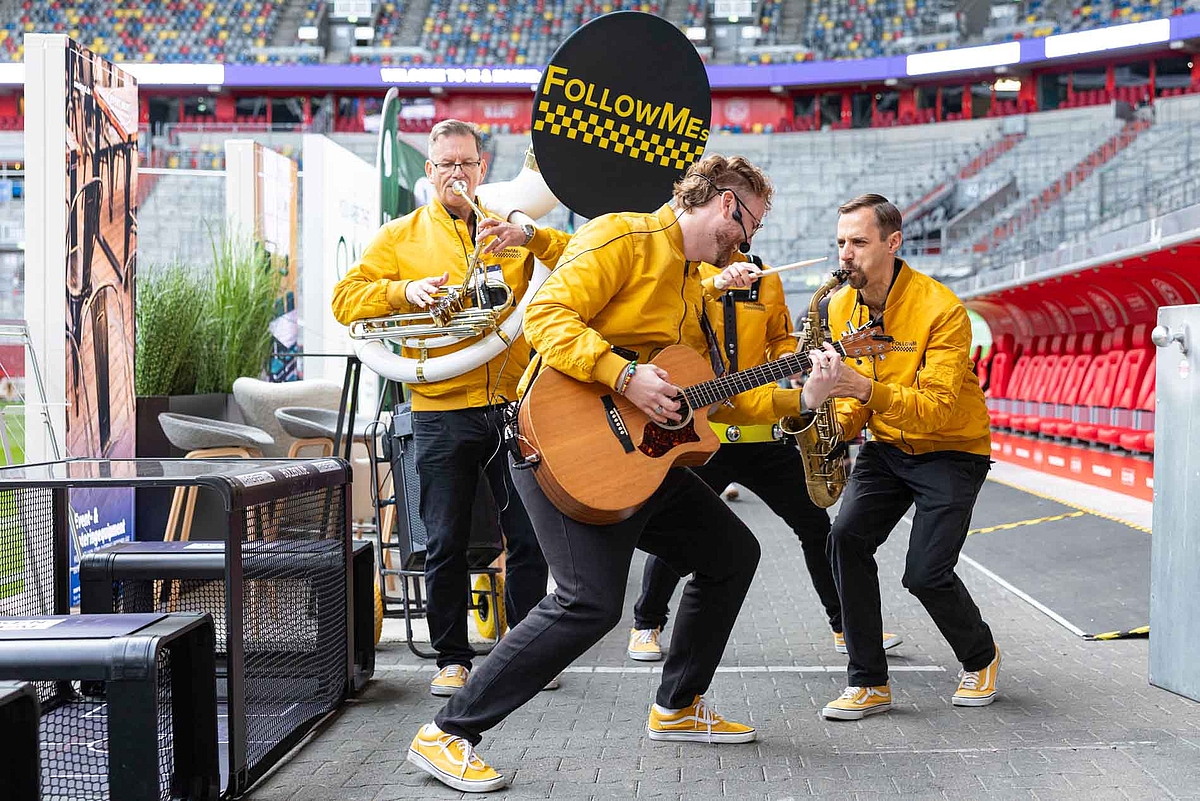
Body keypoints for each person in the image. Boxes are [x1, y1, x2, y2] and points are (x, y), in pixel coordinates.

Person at [406, 155, 798, 793]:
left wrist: (803, 397)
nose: (747, 242)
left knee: (731, 554)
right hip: (561, 445)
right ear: (728, 204)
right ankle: (446, 733)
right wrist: (625, 375)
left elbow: (711, 398)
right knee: (587, 602)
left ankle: (676, 708)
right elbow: (546, 317)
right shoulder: (624, 235)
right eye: (750, 224)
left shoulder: (693, 283)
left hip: (638, 460)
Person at [331, 119, 572, 697]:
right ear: (430, 171)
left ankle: (524, 655)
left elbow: (576, 261)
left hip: (512, 405)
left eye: (466, 163)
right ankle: (452, 658)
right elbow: (344, 299)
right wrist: (404, 292)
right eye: (446, 164)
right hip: (439, 408)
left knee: (529, 537)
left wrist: (528, 237)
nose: (457, 173)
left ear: (482, 168)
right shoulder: (400, 236)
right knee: (444, 541)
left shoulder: (509, 223)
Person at [626, 260, 903, 663]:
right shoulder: (690, 272)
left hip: (763, 430)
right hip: (702, 432)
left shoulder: (768, 278)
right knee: (678, 527)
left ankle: (847, 627)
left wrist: (794, 362)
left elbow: (779, 340)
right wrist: (715, 283)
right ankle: (646, 624)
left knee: (815, 526)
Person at [800, 193, 999, 721]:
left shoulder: (942, 310)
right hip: (887, 447)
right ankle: (868, 682)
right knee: (844, 540)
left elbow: (935, 410)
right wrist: (829, 423)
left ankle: (981, 657)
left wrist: (863, 390)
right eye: (840, 243)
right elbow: (853, 398)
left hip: (951, 449)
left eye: (858, 242)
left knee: (926, 575)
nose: (846, 254)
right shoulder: (838, 307)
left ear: (893, 243)